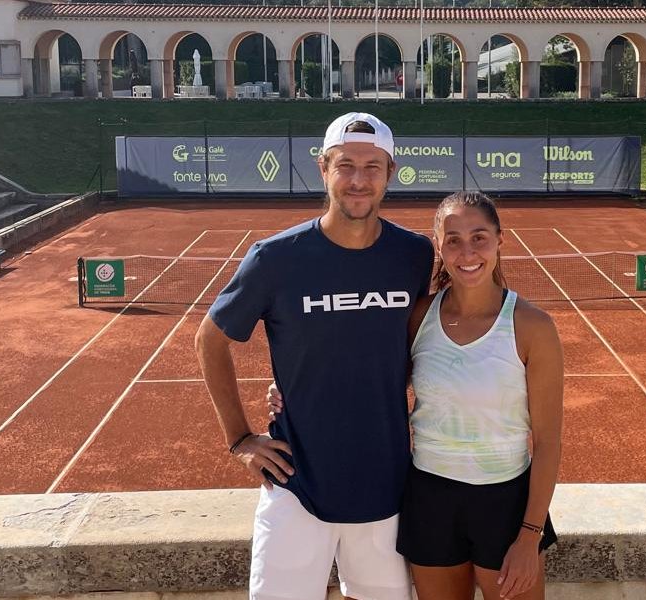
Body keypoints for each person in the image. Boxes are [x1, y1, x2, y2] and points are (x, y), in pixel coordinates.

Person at [271, 192, 565, 599]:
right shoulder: (419, 316)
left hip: (505, 502)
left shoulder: (533, 326)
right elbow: (374, 378)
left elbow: (548, 443)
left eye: (479, 237)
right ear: (439, 246)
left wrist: (529, 536)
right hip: (430, 499)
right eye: (453, 240)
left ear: (500, 240)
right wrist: (293, 388)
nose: (467, 252)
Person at [196, 112, 435, 600]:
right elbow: (210, 340)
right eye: (345, 165)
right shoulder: (274, 258)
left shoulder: (414, 255)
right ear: (323, 168)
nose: (358, 180)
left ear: (390, 173)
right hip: (295, 485)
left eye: (372, 167)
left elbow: (413, 346)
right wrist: (240, 438)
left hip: (386, 484)